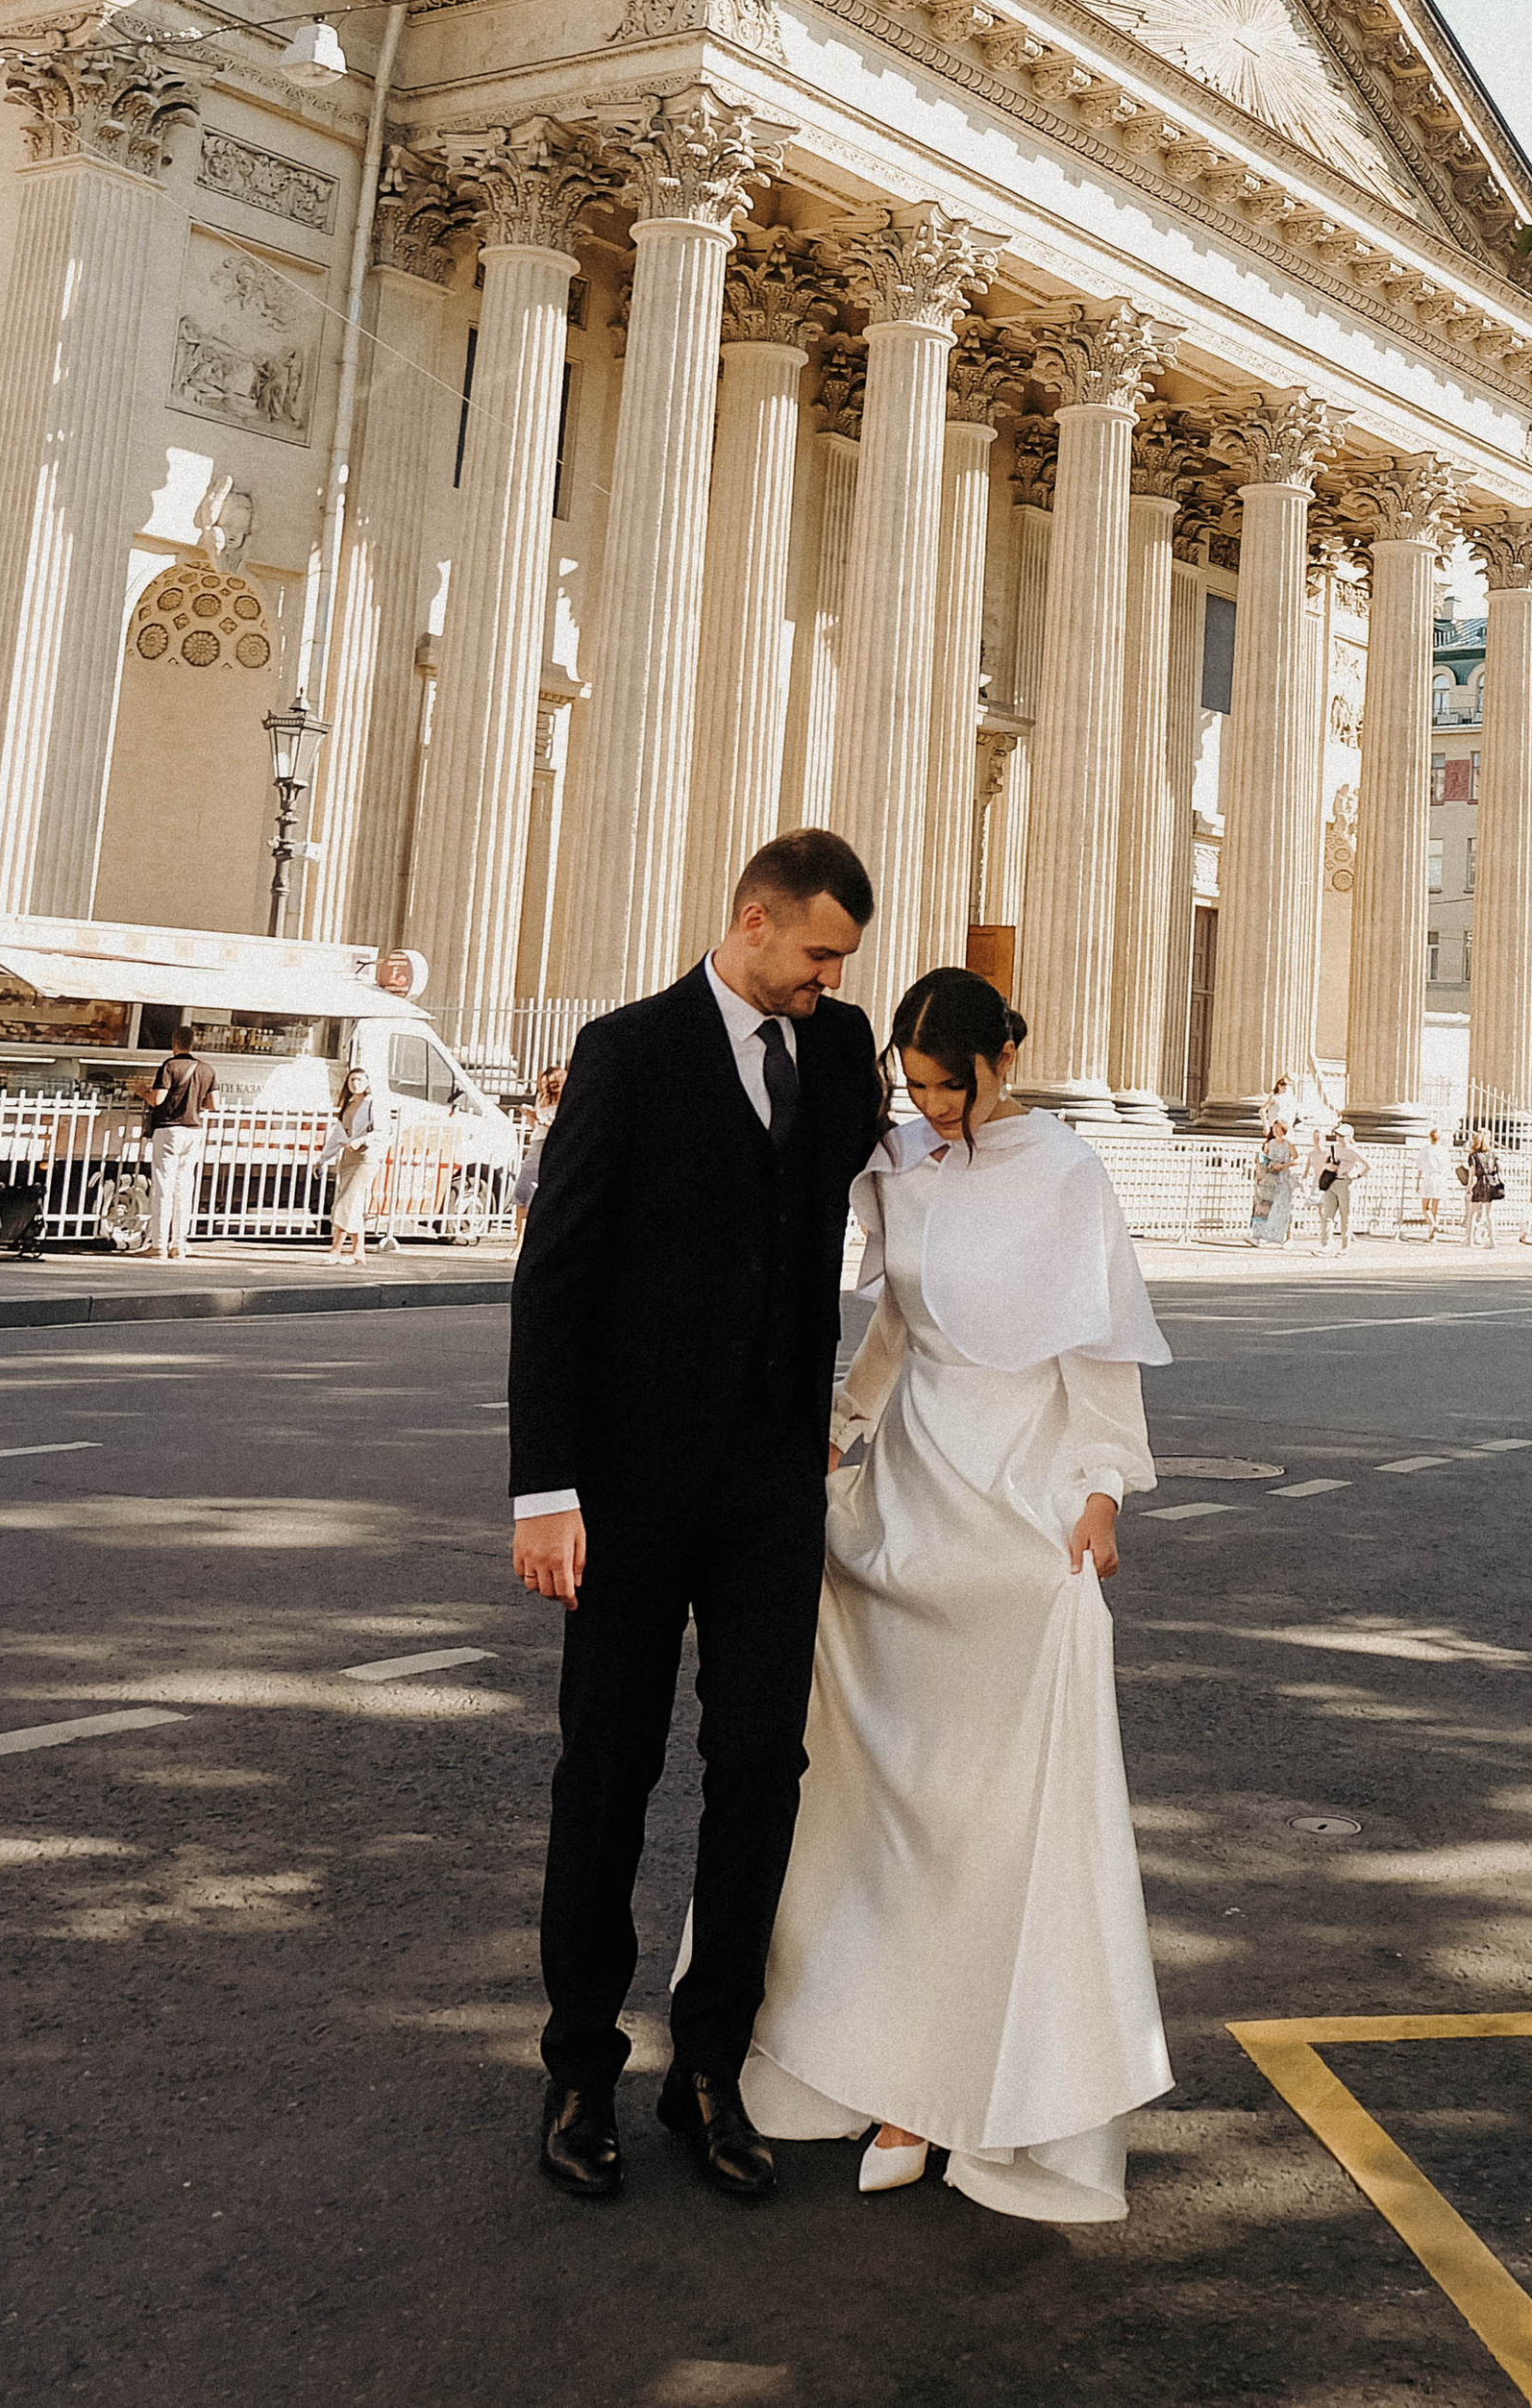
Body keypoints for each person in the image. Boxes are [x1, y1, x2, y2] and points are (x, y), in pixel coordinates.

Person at [741, 967, 1173, 2221]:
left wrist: (1101, 1487)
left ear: (1002, 1059)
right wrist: (844, 1422)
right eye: (911, 1085)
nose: (927, 1107)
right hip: (907, 1504)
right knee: (889, 1800)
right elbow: (896, 1318)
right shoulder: (902, 1161)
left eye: (947, 1084)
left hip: (1019, 1512)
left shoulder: (1068, 1172)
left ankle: (963, 2086)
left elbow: (1098, 1339)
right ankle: (881, 2062)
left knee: (994, 1816)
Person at [507, 829, 880, 2209]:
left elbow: (897, 1188)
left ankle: (709, 2063)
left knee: (759, 1767)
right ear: (754, 919)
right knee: (605, 1767)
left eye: (842, 959)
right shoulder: (629, 1047)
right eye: (820, 952)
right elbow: (553, 1278)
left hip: (771, 1482)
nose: (834, 980)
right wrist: (545, 1490)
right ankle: (578, 2066)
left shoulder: (835, 1054)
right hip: (626, 1486)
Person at [143, 1027, 215, 1262]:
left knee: (163, 1188)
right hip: (194, 1131)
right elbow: (212, 1104)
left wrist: (142, 1092)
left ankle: (158, 1245)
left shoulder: (169, 1066)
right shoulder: (206, 1069)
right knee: (184, 1188)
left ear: (174, 1041)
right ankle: (179, 1244)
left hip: (169, 1130)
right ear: (193, 1043)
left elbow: (157, 1099)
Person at [323, 1064, 386, 1264]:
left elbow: (383, 1131)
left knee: (346, 1202)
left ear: (367, 1083)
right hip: (348, 1158)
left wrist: (362, 1140)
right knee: (352, 1204)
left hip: (366, 1158)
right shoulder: (348, 1104)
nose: (356, 1084)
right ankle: (358, 1251)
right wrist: (322, 1158)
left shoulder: (373, 1103)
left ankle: (335, 1250)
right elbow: (338, 1135)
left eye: (360, 1080)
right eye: (352, 1080)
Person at [514, 1061, 566, 1241]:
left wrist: (541, 1120)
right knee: (524, 1187)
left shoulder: (565, 1099)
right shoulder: (541, 1097)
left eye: (547, 1082)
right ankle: (519, 1241)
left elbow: (561, 1128)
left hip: (553, 1145)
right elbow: (536, 1126)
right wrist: (531, 1117)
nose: (543, 1085)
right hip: (537, 1142)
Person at [1313, 1116, 1361, 1250]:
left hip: (1346, 1184)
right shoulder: (1333, 1148)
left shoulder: (1353, 1150)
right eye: (1338, 1136)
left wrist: (1357, 1175)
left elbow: (1368, 1165)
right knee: (1328, 1214)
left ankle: (1345, 1246)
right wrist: (1328, 1166)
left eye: (1343, 1136)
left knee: (1345, 1215)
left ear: (1349, 1136)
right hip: (1332, 1182)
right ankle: (1326, 1244)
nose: (1340, 1138)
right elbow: (1324, 1163)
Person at [1249, 1111, 1297, 1248]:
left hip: (1282, 1178)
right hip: (1270, 1177)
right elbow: (1262, 1159)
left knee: (1282, 1207)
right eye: (1274, 1129)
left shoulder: (1288, 1144)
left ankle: (1284, 1237)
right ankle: (1262, 1235)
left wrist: (1283, 1166)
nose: (1276, 1131)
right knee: (1265, 1206)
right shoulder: (1269, 1143)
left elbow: (1296, 1159)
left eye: (1279, 1129)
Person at [1463, 1130, 1507, 1249]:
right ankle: (1493, 1241)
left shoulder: (1473, 1156)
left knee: (1472, 1214)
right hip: (1491, 1183)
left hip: (1480, 1183)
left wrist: (1468, 1188)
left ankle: (1469, 1239)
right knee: (1489, 1214)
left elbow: (1472, 1174)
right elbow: (1500, 1167)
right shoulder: (1492, 1154)